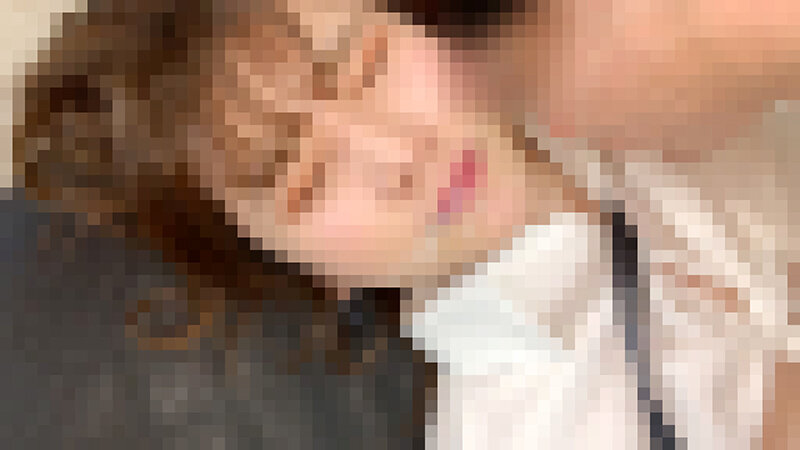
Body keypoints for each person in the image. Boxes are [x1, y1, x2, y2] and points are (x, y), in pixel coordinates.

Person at [8, 0, 800, 448]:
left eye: (370, 66)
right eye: (309, 178)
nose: (398, 156)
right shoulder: (519, 429)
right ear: (318, 274)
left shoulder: (654, 53)